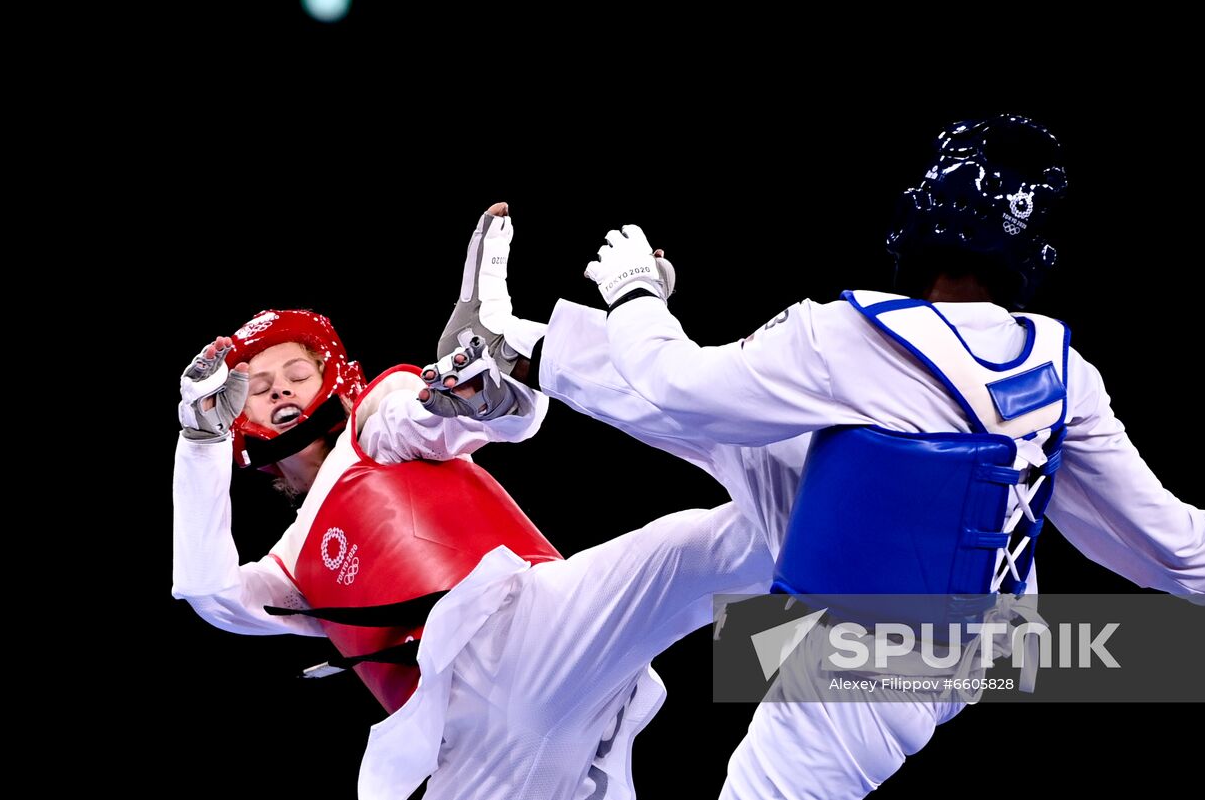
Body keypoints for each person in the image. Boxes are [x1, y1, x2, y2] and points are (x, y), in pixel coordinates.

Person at [515, 114, 1205, 798]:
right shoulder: (1063, 375)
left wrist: (637, 295)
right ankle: (518, 352)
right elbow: (1160, 538)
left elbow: (674, 382)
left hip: (873, 667)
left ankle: (521, 356)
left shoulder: (846, 339)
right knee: (760, 444)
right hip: (986, 640)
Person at [171, 204, 773, 800]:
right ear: (237, 421)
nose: (278, 386)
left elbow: (426, 415)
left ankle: (866, 687)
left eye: (296, 370)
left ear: (337, 379)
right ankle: (853, 689)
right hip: (478, 753)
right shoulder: (291, 569)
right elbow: (211, 593)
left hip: (539, 631)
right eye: (256, 383)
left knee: (730, 543)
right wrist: (199, 444)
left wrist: (477, 399)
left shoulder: (373, 431)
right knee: (732, 565)